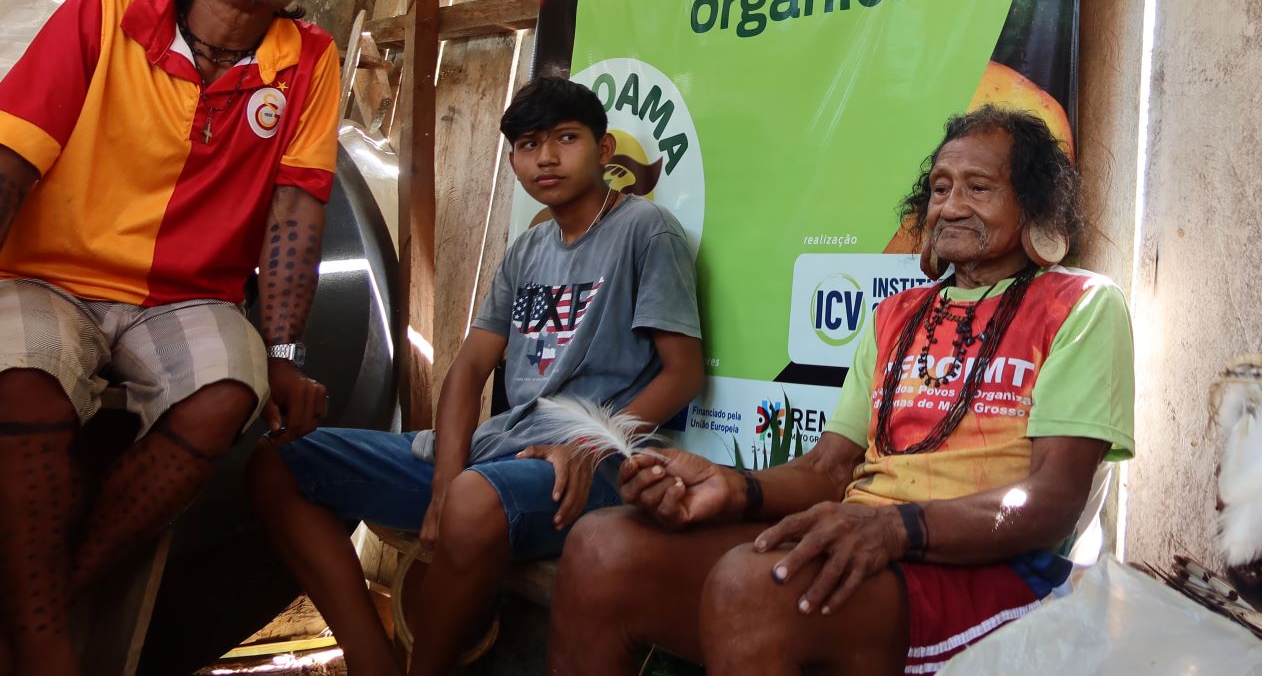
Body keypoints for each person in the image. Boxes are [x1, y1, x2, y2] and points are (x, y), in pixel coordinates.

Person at [547, 105, 1136, 676]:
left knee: (755, 584)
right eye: (939, 189)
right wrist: (733, 488)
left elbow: (1051, 502)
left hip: (993, 566)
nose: (951, 207)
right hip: (866, 540)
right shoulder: (894, 315)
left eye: (978, 188)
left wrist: (895, 528)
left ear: (1032, 206)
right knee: (603, 546)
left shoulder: (1080, 305)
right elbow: (830, 471)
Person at [249, 76, 704, 676]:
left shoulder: (646, 231)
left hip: (598, 465)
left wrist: (590, 445)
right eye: (527, 144)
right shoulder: (530, 248)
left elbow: (683, 373)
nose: (545, 157)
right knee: (278, 463)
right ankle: (370, 657)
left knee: (470, 498)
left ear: (604, 150)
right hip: (504, 453)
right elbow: (467, 369)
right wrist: (442, 483)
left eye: (566, 138)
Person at [0, 0, 339, 676]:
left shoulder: (307, 59)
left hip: (186, 297)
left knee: (227, 392)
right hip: (46, 275)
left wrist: (284, 355)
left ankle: (45, 609)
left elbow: (296, 213)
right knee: (19, 381)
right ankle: (48, 647)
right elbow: (11, 160)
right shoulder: (105, 15)